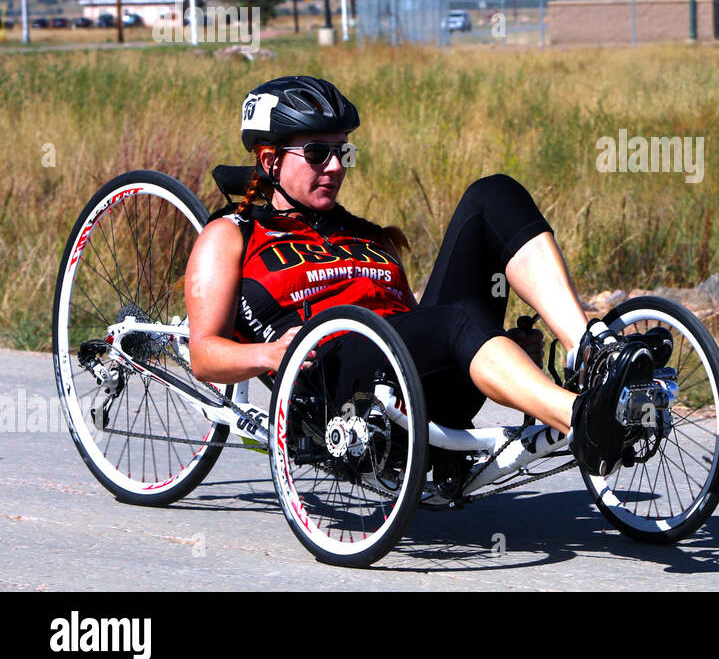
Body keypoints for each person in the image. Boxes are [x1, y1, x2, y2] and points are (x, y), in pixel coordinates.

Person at [184, 75, 671, 476]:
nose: (334, 167)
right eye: (316, 154)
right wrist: (271, 353)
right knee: (458, 317)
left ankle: (589, 351)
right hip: (339, 384)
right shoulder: (233, 234)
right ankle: (580, 419)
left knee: (491, 195)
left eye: (343, 153)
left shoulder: (364, 233)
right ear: (270, 160)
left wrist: (495, 343)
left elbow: (419, 326)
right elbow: (204, 355)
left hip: (412, 383)